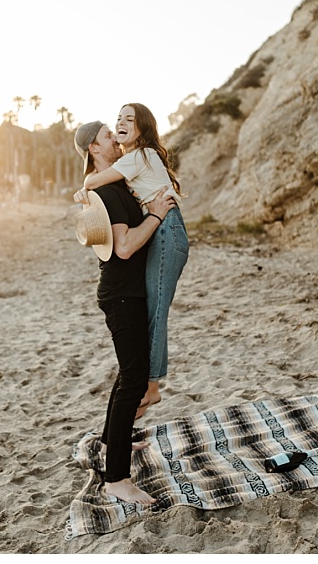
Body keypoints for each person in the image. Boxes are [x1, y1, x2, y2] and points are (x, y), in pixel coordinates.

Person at [72, 120, 176, 504]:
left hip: (124, 293)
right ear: (94, 150)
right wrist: (158, 215)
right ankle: (116, 478)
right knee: (133, 379)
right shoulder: (112, 194)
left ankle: (109, 442)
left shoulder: (113, 185)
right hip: (121, 296)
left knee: (128, 374)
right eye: (106, 138)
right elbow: (126, 247)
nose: (115, 140)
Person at [76, 103, 188, 419]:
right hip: (163, 231)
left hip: (168, 230)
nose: (121, 124)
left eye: (130, 119)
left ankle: (151, 388)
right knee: (155, 306)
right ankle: (140, 401)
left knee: (156, 307)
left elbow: (95, 180)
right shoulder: (133, 159)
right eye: (118, 119)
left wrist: (84, 188)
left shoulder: (140, 156)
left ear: (142, 129)